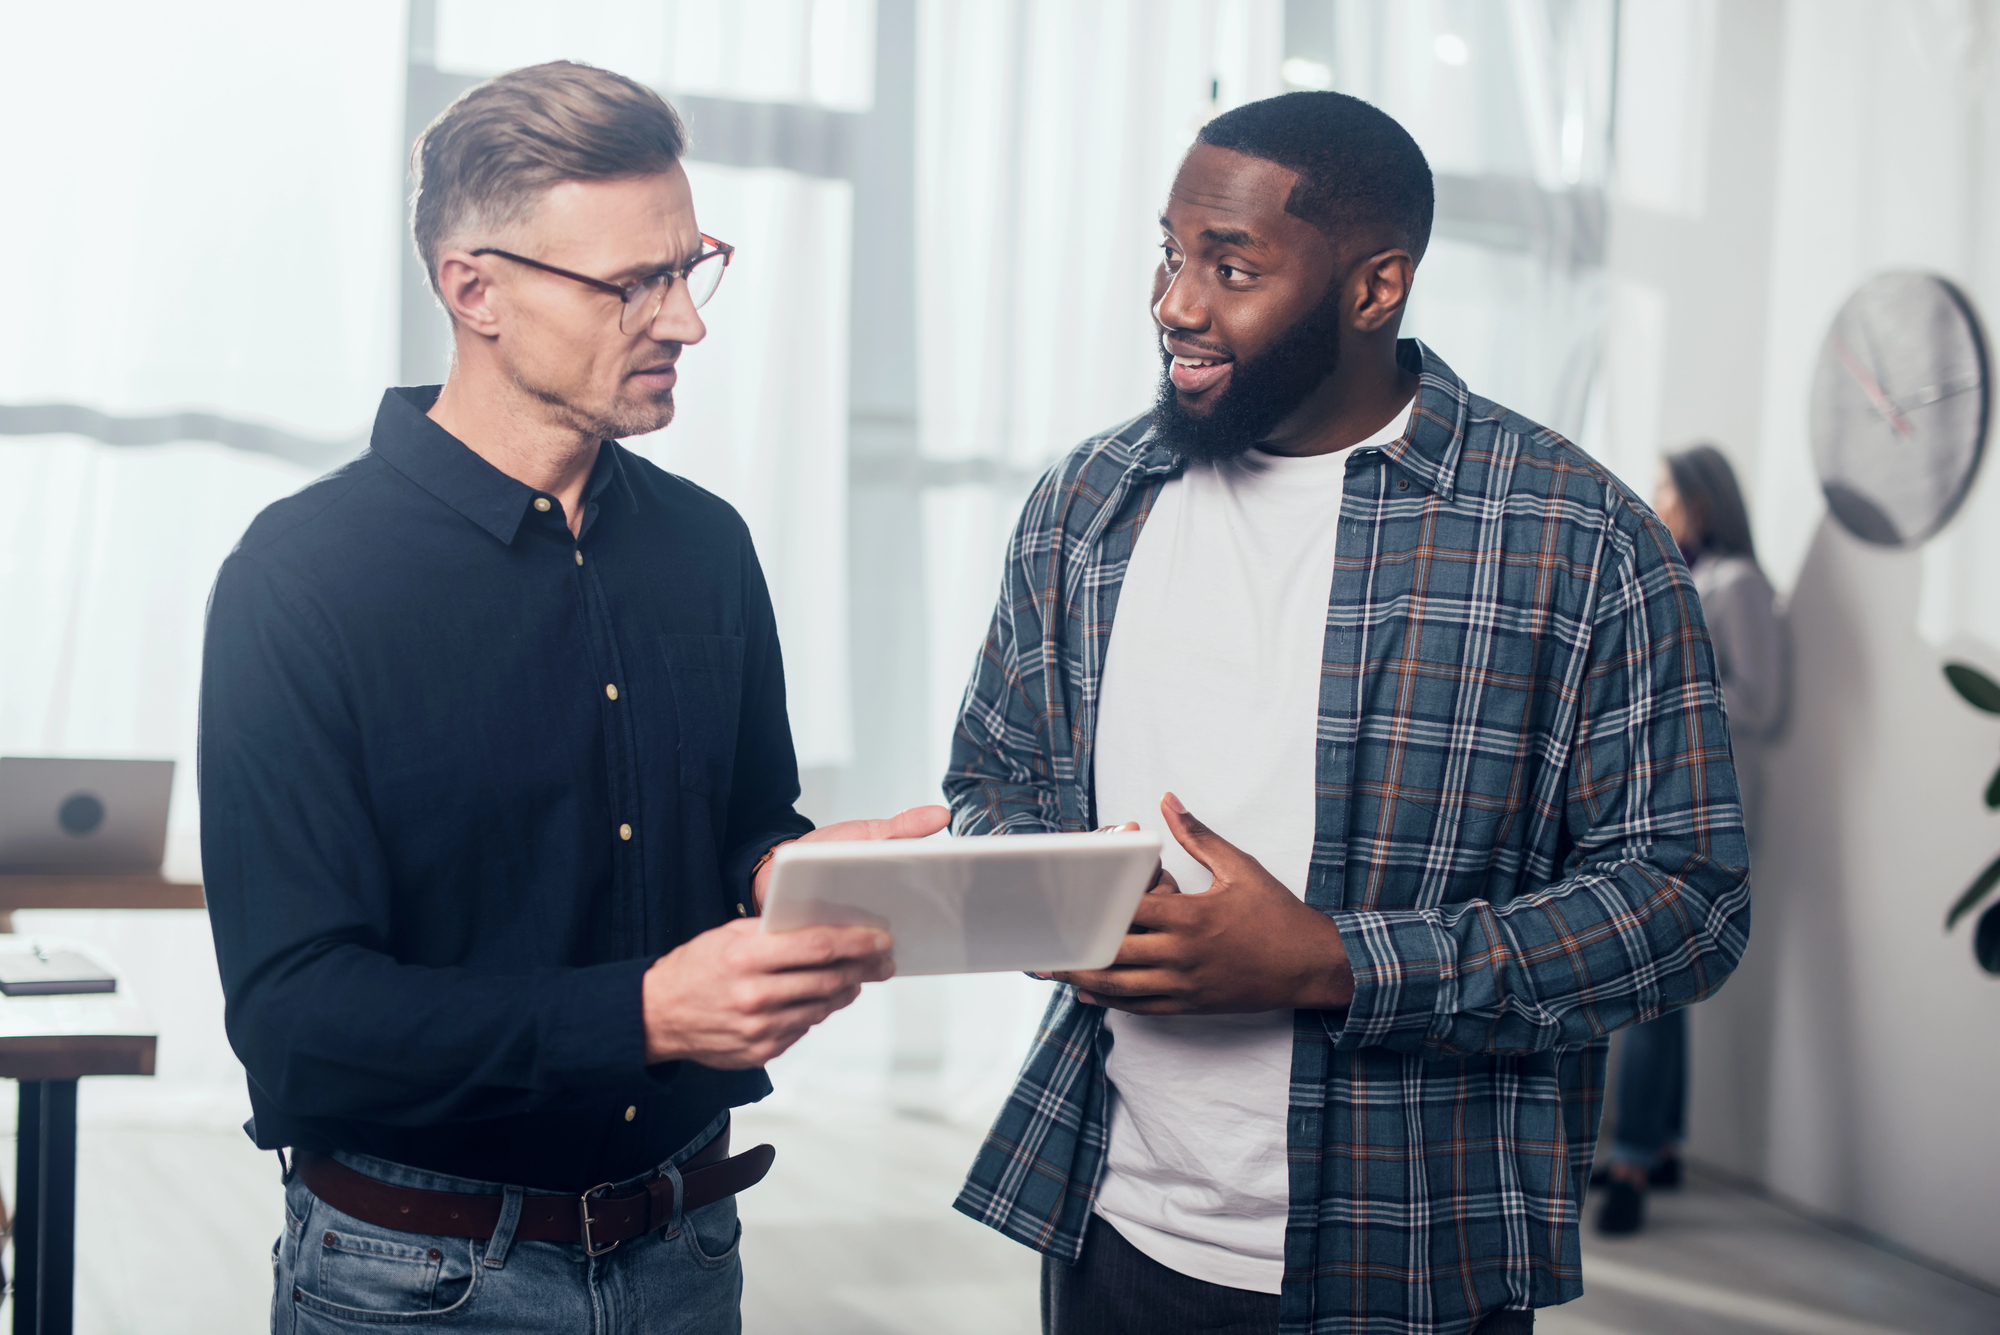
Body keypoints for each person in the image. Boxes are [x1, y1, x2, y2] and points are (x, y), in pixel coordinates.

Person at [946, 92, 1750, 1335]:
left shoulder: (1575, 540)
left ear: (1375, 289)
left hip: (1415, 1250)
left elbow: (1686, 900)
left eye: (1230, 266)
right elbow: (988, 780)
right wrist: (1052, 894)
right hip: (1109, 1224)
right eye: (1168, 252)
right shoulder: (1084, 504)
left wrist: (1334, 964)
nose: (1174, 302)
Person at [199, 62, 943, 1333]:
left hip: (688, 1248)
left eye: (690, 266)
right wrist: (645, 1012)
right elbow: (296, 1017)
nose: (685, 323)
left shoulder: (707, 547)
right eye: (629, 286)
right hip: (412, 1282)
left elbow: (746, 820)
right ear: (472, 289)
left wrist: (788, 875)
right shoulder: (300, 574)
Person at [1594, 444, 1783, 1236]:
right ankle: (1659, 1143)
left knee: (1648, 977)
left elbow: (1762, 699)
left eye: (1669, 487)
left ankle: (1633, 1158)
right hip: (1659, 796)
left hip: (1701, 806)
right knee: (1665, 982)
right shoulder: (1683, 575)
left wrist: (1668, 690)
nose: (1657, 498)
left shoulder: (1737, 584)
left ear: (1705, 500)